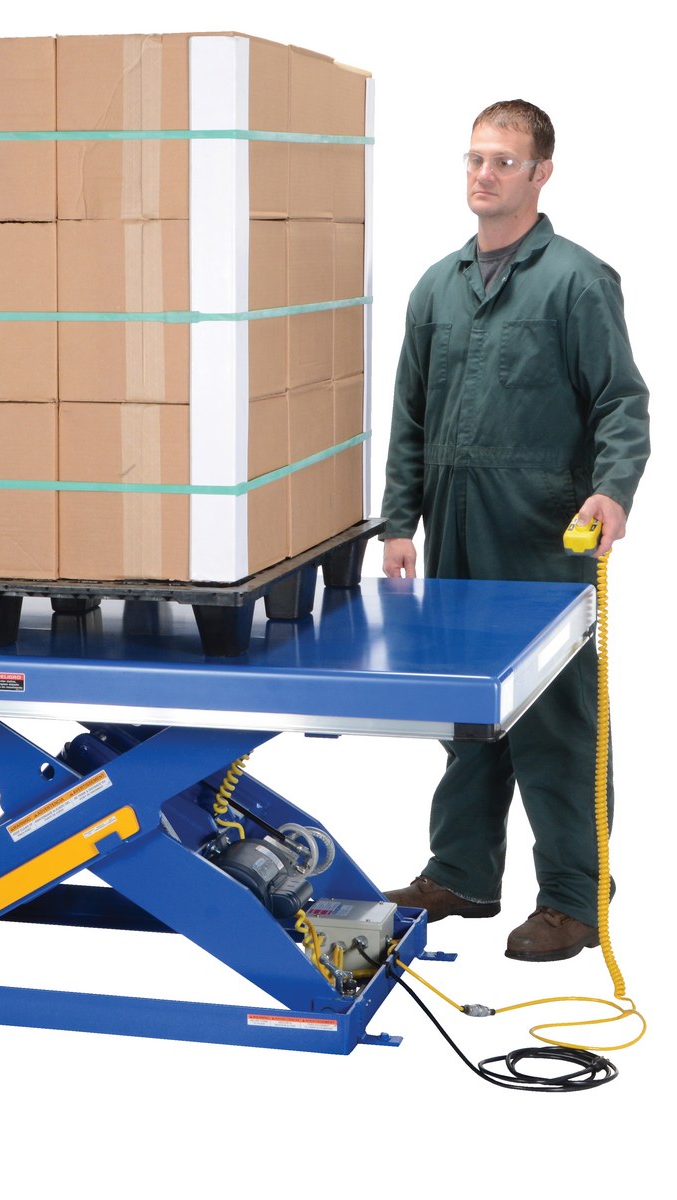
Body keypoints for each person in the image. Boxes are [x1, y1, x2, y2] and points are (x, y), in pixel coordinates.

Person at [380, 99, 650, 961]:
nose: (483, 174)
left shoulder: (575, 280)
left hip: (542, 535)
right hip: (455, 529)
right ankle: (461, 872)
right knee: (466, 709)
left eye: (502, 161)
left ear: (540, 173)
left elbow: (620, 402)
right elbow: (409, 417)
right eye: (474, 159)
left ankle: (573, 898)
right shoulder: (436, 285)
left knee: (555, 716)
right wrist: (398, 521)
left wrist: (611, 491)